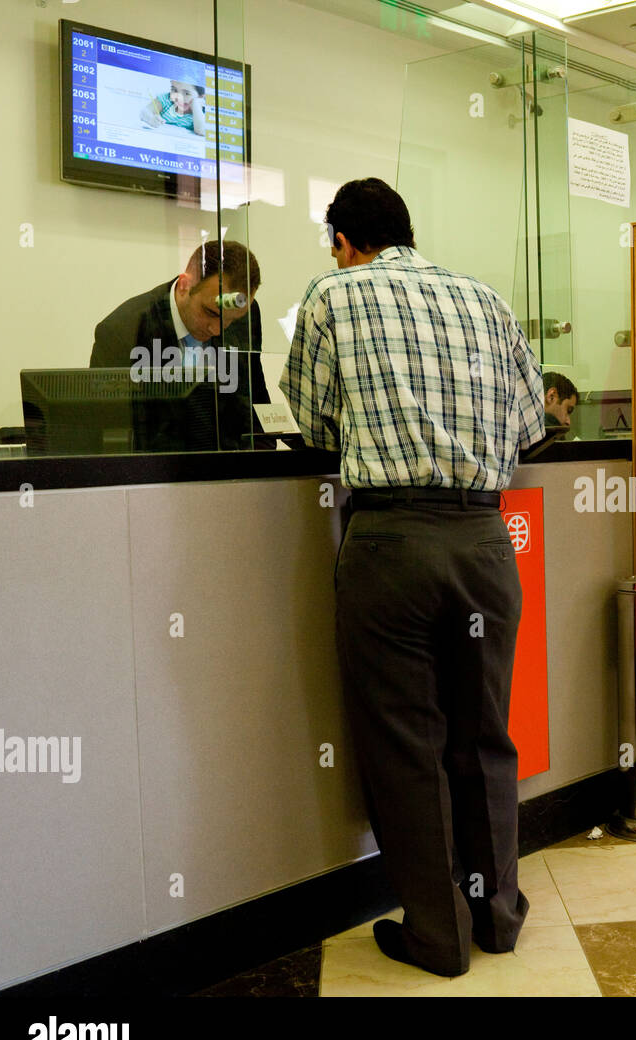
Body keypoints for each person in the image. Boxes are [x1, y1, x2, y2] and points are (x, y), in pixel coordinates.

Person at [280, 177, 545, 977]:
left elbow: (315, 420)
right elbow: (532, 424)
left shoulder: (332, 294)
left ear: (342, 239)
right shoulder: (485, 298)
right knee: (485, 737)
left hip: (391, 540)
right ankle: (497, 916)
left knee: (408, 745)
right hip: (482, 536)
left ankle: (437, 933)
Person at [89, 241, 268, 450]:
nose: (218, 330)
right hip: (157, 474)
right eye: (211, 313)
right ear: (184, 286)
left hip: (229, 472)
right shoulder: (123, 332)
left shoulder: (248, 313)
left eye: (233, 320)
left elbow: (256, 410)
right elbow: (108, 437)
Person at [140, 80, 206, 136]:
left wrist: (196, 103)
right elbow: (145, 111)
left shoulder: (201, 112)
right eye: (174, 90)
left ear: (200, 97)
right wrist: (151, 118)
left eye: (186, 93)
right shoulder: (166, 99)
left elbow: (201, 131)